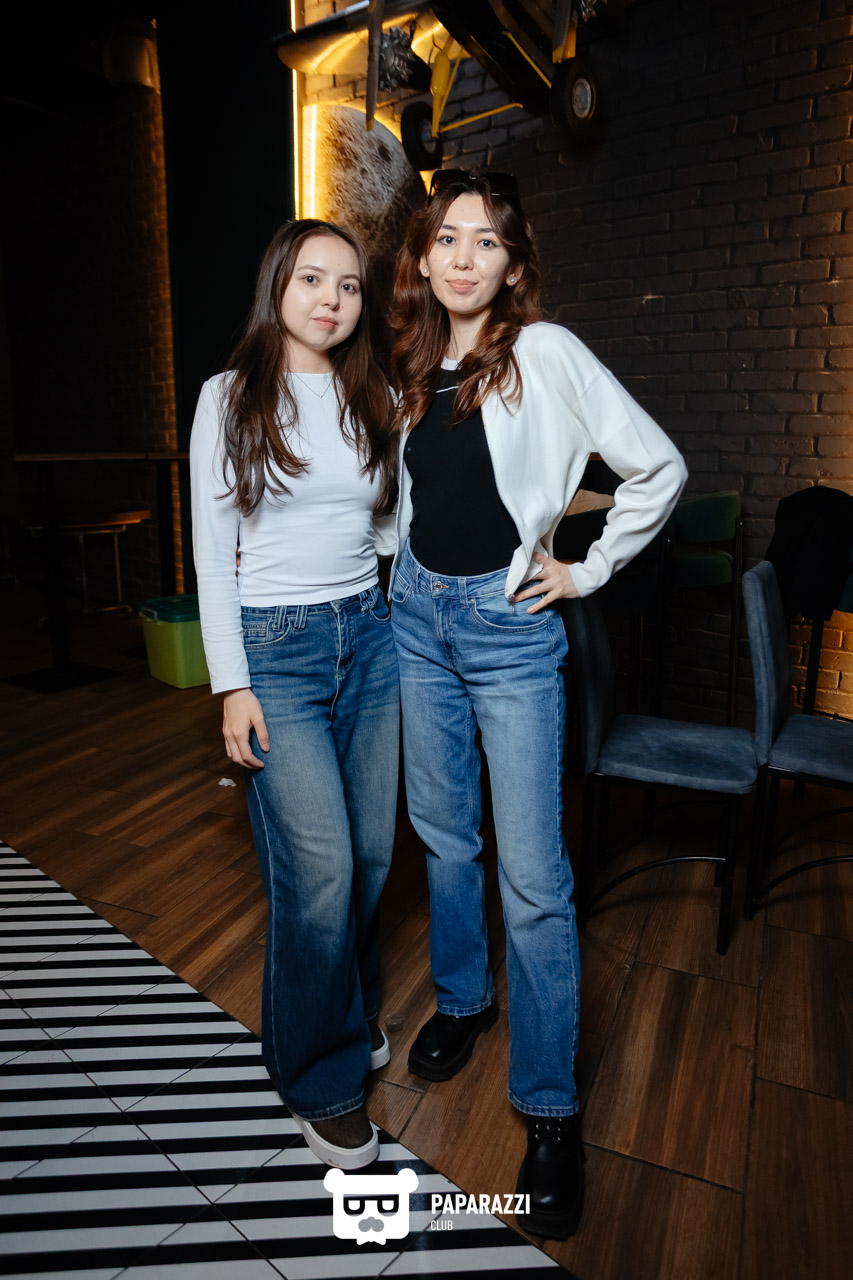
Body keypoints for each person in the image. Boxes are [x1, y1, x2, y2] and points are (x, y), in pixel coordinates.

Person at [388, 170, 687, 1237]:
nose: (463, 256)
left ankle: (549, 1106)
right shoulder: (412, 365)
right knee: (443, 837)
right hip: (415, 618)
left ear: (513, 263)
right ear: (423, 258)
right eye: (447, 238)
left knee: (533, 877)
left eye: (486, 241)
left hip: (508, 627)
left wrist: (584, 569)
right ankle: (464, 1000)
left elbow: (656, 466)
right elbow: (411, 497)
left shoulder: (545, 352)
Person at [190, 219, 399, 1171]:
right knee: (320, 867)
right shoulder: (229, 396)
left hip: (371, 636)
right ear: (277, 283)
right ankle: (319, 1079)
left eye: (348, 285)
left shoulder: (373, 394)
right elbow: (213, 554)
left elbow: (388, 523)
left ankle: (344, 1009)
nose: (331, 299)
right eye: (312, 278)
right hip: (275, 650)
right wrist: (231, 684)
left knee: (371, 853)